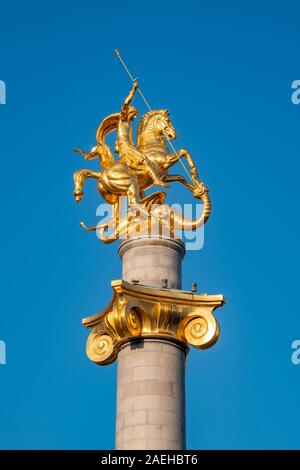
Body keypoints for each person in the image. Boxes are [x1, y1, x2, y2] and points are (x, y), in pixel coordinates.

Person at [115, 81, 169, 188]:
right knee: (144, 158)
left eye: (135, 115)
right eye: (134, 113)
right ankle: (156, 179)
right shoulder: (123, 119)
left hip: (128, 148)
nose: (134, 117)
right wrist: (133, 90)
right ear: (128, 112)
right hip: (127, 149)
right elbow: (126, 103)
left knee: (142, 160)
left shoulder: (128, 124)